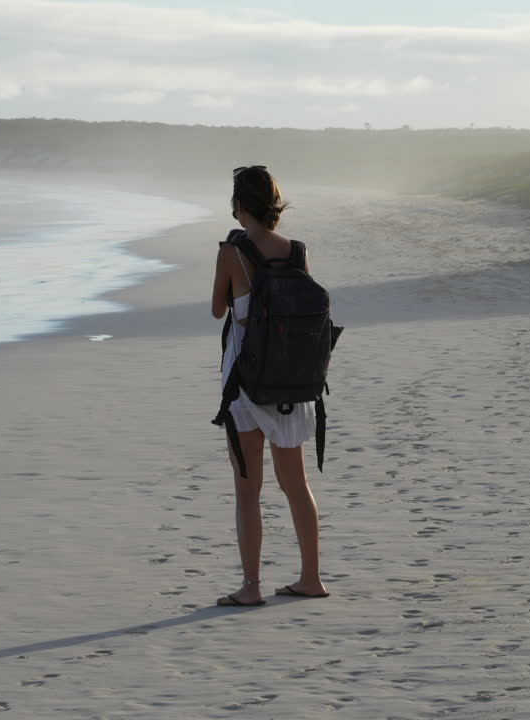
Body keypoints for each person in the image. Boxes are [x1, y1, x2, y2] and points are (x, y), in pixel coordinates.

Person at [209, 165, 330, 607]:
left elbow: (218, 310)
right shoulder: (297, 251)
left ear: (239, 204)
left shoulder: (232, 252)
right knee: (296, 485)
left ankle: (251, 586)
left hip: (245, 384)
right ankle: (311, 578)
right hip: (292, 385)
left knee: (248, 488)